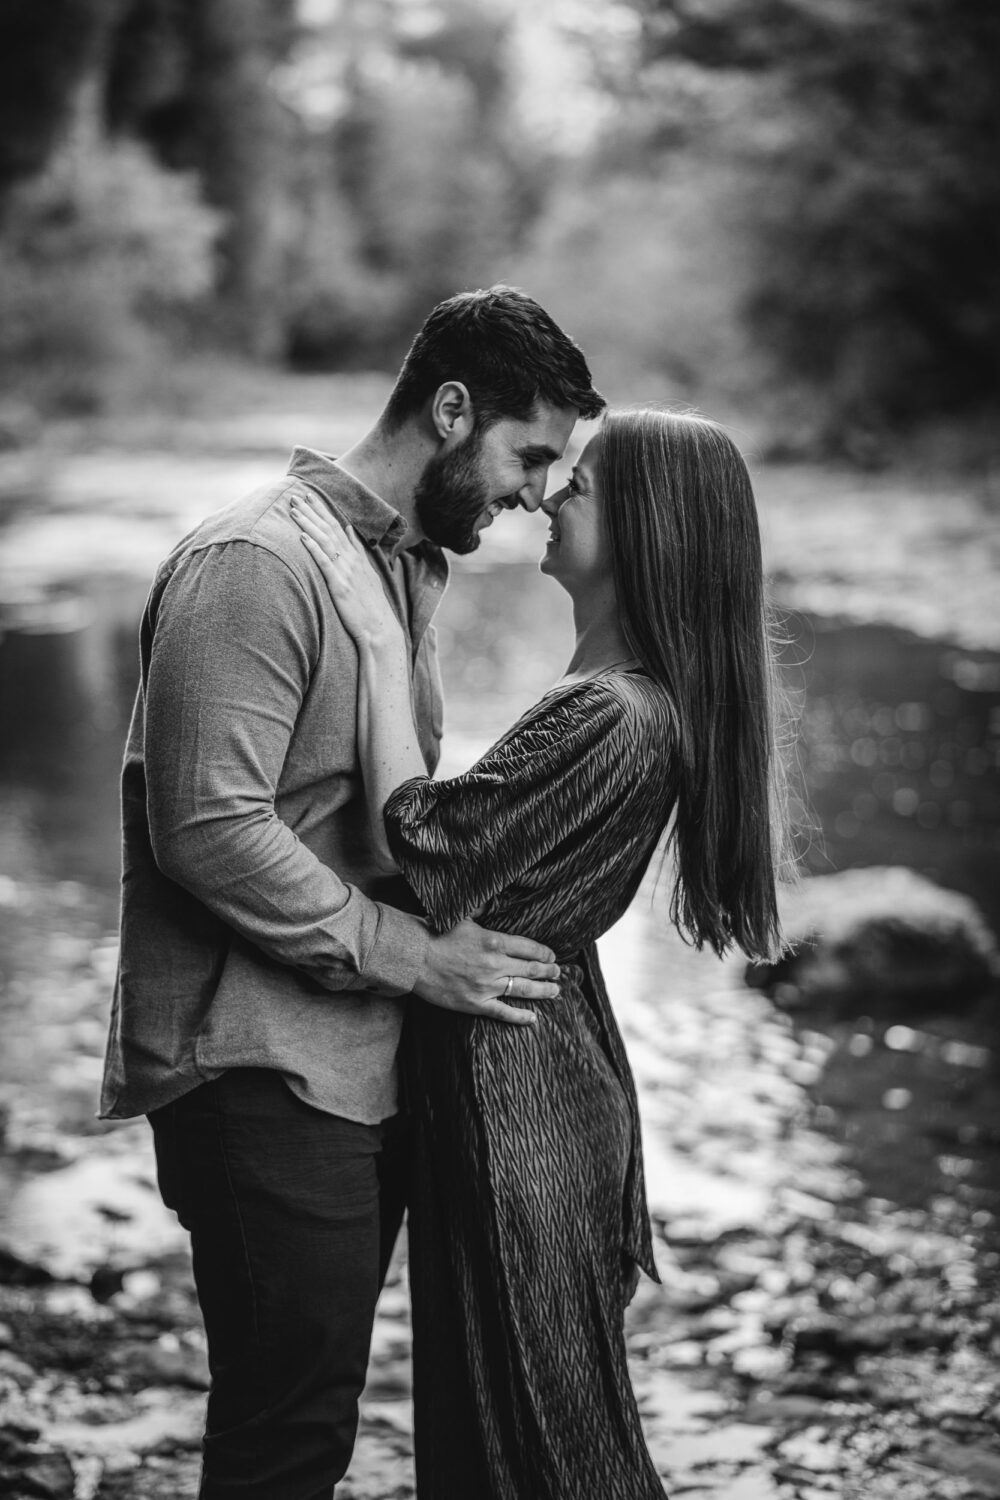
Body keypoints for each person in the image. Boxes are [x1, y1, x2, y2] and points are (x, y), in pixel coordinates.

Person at [98, 285, 605, 1498]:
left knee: (310, 1419)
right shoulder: (256, 563)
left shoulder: (396, 569)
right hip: (255, 1063)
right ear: (448, 410)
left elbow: (362, 814)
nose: (537, 493)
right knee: (288, 1432)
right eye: (529, 454)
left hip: (351, 1062)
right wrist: (416, 955)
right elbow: (208, 826)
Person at [292, 404, 793, 1499]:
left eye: (589, 483)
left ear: (653, 528)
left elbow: (421, 836)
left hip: (521, 1102)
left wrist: (381, 639)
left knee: (544, 1448)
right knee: (506, 1440)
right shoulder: (615, 700)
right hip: (526, 1078)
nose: (555, 492)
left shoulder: (615, 715)